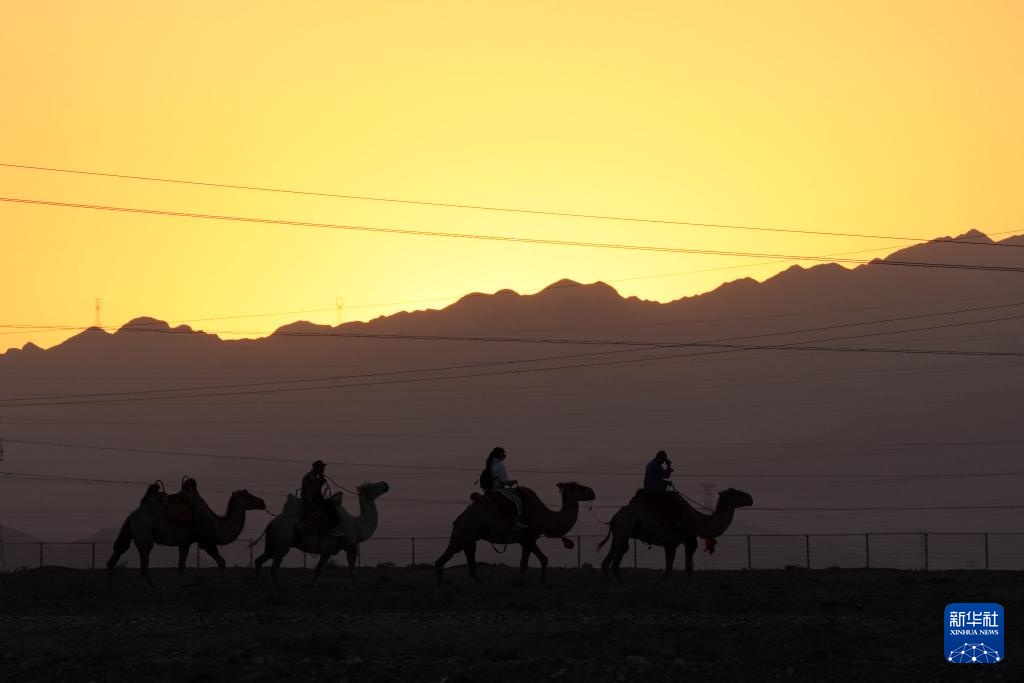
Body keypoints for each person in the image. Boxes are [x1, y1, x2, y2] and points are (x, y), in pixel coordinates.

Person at [484, 447, 526, 530]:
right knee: (517, 501)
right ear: (500, 455)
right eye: (504, 454)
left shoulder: (491, 464)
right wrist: (512, 482)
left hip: (489, 490)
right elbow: (503, 481)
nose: (504, 456)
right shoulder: (500, 465)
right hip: (497, 490)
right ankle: (516, 523)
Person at [301, 460, 342, 536]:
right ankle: (333, 529)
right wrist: (321, 481)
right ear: (318, 469)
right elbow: (313, 491)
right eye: (322, 468)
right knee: (331, 507)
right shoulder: (311, 477)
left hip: (313, 498)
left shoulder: (313, 476)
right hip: (310, 500)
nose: (324, 470)